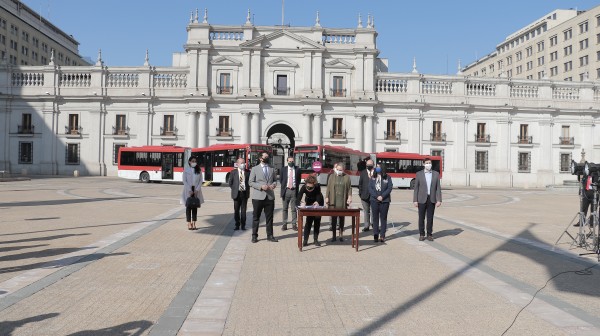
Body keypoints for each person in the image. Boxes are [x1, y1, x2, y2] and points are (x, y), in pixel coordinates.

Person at [249, 151, 278, 243]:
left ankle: (270, 235)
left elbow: (275, 180)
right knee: (256, 217)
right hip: (258, 197)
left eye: (268, 156)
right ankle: (254, 236)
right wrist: (260, 186)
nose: (268, 157)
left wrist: (273, 185)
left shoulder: (272, 168)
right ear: (260, 158)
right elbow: (250, 182)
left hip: (269, 197)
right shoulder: (255, 169)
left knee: (269, 218)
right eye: (266, 156)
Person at [413, 158, 442, 241]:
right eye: (427, 163)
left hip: (431, 198)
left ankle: (429, 234)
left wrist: (439, 200)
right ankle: (422, 234)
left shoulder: (436, 174)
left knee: (430, 218)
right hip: (421, 199)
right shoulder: (419, 174)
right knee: (421, 217)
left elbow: (438, 188)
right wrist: (415, 200)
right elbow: (416, 188)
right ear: (423, 164)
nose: (428, 164)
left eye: (429, 163)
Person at [325, 162, 352, 242]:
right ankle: (334, 235)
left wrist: (350, 196)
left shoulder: (347, 177)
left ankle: (341, 235)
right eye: (337, 169)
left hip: (342, 200)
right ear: (335, 169)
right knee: (333, 219)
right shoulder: (331, 176)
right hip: (333, 200)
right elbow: (328, 187)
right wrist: (326, 197)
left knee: (341, 218)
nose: (339, 171)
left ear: (343, 170)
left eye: (340, 170)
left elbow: (349, 188)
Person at [297, 175, 324, 246]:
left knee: (317, 221)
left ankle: (315, 239)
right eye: (308, 187)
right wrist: (301, 203)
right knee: (308, 221)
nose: (309, 188)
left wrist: (317, 202)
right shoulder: (303, 187)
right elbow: (298, 197)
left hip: (318, 202)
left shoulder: (317, 186)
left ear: (314, 184)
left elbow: (319, 196)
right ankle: (305, 240)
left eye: (311, 187)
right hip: (309, 200)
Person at [369, 164, 393, 242]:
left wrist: (382, 196)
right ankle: (375, 234)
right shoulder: (373, 177)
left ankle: (382, 235)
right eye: (377, 166)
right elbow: (370, 188)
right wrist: (376, 196)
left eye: (379, 166)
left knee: (383, 218)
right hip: (374, 200)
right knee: (375, 218)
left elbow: (389, 188)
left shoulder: (387, 177)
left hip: (384, 200)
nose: (377, 168)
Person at [181, 156, 204, 230]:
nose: (194, 162)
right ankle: (189, 223)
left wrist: (197, 190)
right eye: (192, 161)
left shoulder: (199, 170)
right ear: (189, 162)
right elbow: (184, 181)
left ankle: (194, 223)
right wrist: (189, 190)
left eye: (195, 161)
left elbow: (201, 180)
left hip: (196, 189)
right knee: (188, 206)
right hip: (188, 189)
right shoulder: (186, 170)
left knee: (195, 206)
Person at [228, 158, 250, 230]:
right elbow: (230, 183)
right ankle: (237, 225)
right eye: (241, 163)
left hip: (244, 193)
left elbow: (250, 182)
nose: (243, 164)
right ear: (237, 164)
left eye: (244, 163)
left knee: (243, 211)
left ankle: (243, 225)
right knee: (236, 210)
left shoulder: (248, 172)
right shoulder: (233, 172)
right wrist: (235, 189)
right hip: (236, 194)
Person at [280, 156, 301, 231]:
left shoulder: (298, 169)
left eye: (292, 161)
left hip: (294, 191)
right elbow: (281, 180)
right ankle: (284, 224)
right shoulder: (283, 169)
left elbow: (298, 180)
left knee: (293, 209)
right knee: (285, 209)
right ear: (287, 161)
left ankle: (294, 224)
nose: (291, 162)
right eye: (289, 161)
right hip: (286, 190)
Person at [358, 159, 375, 232]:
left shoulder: (376, 173)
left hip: (374, 196)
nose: (369, 166)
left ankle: (374, 224)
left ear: (373, 165)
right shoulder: (363, 173)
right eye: (368, 165)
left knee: (373, 211)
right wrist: (360, 194)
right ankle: (366, 226)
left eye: (370, 165)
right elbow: (360, 184)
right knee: (366, 211)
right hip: (364, 196)